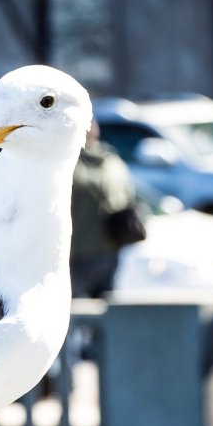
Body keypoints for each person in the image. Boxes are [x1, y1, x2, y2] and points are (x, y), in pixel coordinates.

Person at [69, 121, 141, 298]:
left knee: (100, 309)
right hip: (85, 251)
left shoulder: (108, 160)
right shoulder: (108, 161)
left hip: (100, 251)